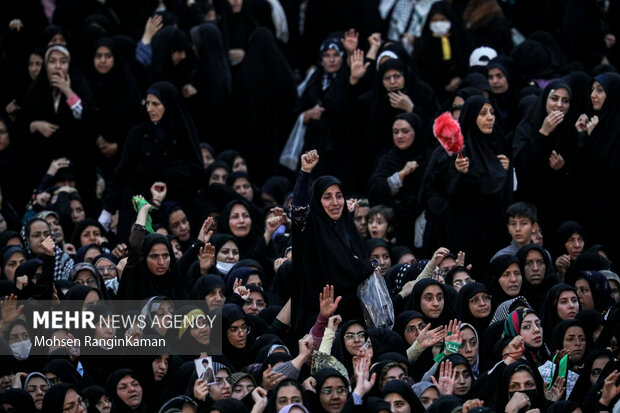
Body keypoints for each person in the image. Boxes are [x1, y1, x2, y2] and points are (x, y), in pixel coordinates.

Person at [99, 81, 203, 242]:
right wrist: (108, 210)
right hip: (137, 205)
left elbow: (196, 170)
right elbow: (121, 173)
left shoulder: (183, 132)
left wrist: (165, 175)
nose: (149, 108)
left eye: (156, 104)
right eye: (147, 103)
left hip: (176, 206)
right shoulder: (139, 134)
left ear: (168, 105)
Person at [290, 150, 373, 333]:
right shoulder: (311, 228)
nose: (335, 202)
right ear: (317, 202)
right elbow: (298, 210)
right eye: (327, 197)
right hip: (318, 315)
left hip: (353, 315)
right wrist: (305, 172)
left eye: (339, 196)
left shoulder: (348, 228)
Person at [446, 96, 512, 275]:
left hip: (497, 230)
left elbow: (506, 194)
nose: (490, 117)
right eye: (483, 113)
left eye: (492, 112)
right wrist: (462, 174)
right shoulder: (462, 151)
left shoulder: (498, 146)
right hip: (470, 234)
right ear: (471, 117)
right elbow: (453, 197)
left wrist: (507, 172)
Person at [512, 80, 578, 233]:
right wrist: (543, 133)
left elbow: (580, 167)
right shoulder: (528, 125)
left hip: (560, 205)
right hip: (531, 203)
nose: (559, 105)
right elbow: (522, 165)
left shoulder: (570, 128)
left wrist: (564, 166)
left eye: (565, 101)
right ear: (544, 100)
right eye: (554, 98)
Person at [367, 113, 430, 246]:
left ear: (416, 132)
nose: (399, 136)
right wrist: (402, 174)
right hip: (395, 226)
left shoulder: (429, 157)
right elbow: (377, 189)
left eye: (405, 131)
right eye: (395, 132)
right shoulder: (388, 159)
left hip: (424, 223)